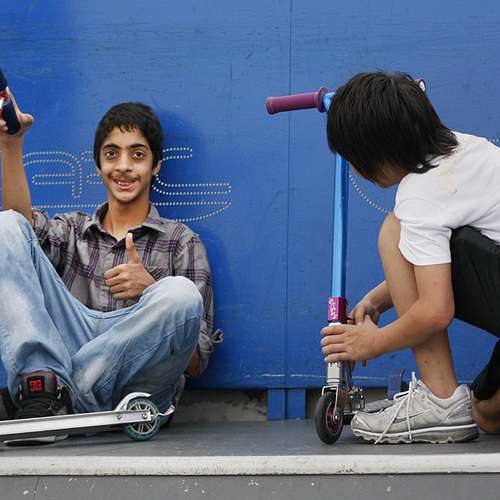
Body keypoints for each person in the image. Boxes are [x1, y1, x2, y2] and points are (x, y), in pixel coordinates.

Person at [0, 94, 219, 444]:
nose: (124, 166)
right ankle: (43, 385)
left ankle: (63, 391)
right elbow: (18, 236)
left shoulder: (182, 241)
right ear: (98, 165)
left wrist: (150, 288)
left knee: (180, 293)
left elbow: (195, 362)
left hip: (138, 388)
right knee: (6, 226)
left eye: (138, 154)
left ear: (156, 165)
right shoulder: (72, 229)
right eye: (112, 154)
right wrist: (11, 147)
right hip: (68, 349)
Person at [321, 71, 500, 444]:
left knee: (394, 230)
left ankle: (440, 399)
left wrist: (371, 343)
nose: (354, 169)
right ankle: (455, 407)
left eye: (353, 158)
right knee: (486, 412)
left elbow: (435, 310)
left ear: (376, 154)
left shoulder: (419, 196)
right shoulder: (466, 150)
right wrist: (378, 300)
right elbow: (447, 261)